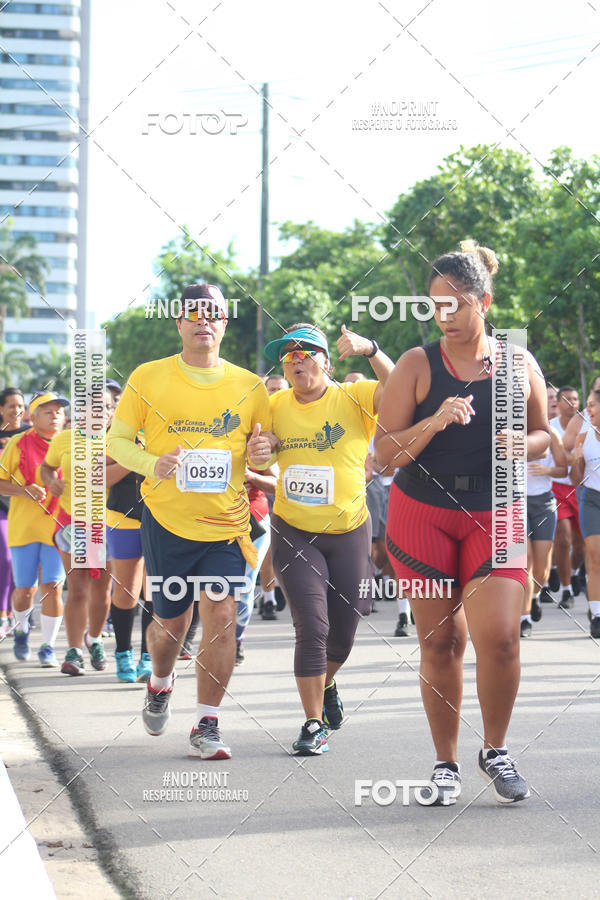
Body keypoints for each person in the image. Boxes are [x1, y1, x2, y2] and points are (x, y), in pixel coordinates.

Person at [375, 240, 550, 805]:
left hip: (496, 510)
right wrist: (436, 420)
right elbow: (384, 454)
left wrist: (521, 444)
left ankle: (494, 750)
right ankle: (445, 762)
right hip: (422, 512)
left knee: (500, 640)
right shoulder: (416, 365)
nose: (443, 316)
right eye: (434, 306)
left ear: (485, 302)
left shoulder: (518, 360)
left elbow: (548, 437)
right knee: (443, 643)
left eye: (455, 305)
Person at [107, 283, 271, 760]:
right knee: (170, 626)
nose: (204, 321)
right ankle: (160, 682)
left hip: (225, 524)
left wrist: (265, 450)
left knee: (220, 615)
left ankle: (206, 722)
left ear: (224, 322)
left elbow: (265, 447)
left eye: (213, 314)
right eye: (194, 314)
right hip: (166, 521)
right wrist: (151, 462)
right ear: (178, 323)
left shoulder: (250, 386)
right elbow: (117, 442)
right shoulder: (148, 377)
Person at [248, 322, 394, 755]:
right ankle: (313, 722)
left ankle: (328, 681)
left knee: (344, 633)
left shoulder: (355, 396)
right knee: (311, 625)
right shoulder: (272, 405)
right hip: (294, 530)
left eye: (306, 353)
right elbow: (254, 449)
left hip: (349, 529)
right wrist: (260, 450)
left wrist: (371, 348)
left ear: (326, 362)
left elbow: (402, 384)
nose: (296, 361)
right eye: (288, 355)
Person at [41, 390, 114, 675]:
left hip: (108, 524)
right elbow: (47, 468)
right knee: (79, 588)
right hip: (71, 522)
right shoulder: (64, 440)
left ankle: (93, 639)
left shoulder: (119, 441)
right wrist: (51, 482)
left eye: (104, 408)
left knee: (102, 590)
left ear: (111, 412)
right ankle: (73, 652)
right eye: (90, 408)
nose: (97, 413)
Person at [0, 392, 67, 665]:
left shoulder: (72, 444)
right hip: (24, 528)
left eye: (59, 412)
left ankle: (48, 646)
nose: (55, 417)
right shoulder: (18, 443)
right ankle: (22, 631)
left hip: (58, 527)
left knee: (53, 586)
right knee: (26, 589)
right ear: (34, 416)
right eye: (48, 412)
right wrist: (24, 491)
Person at [106, 444, 152, 683]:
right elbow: (99, 477)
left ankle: (149, 655)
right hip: (122, 519)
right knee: (126, 592)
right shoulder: (118, 433)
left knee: (155, 590)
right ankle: (123, 653)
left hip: (162, 517)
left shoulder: (170, 425)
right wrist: (133, 457)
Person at [522, 427, 567, 636]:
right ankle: (524, 619)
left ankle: (534, 596)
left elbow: (563, 469)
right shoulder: (508, 427)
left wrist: (546, 470)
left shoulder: (552, 433)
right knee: (525, 561)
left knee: (541, 571)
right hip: (515, 501)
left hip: (543, 504)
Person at [235, 465, 277, 665]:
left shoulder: (258, 443)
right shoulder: (211, 437)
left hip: (254, 522)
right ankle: (208, 638)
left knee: (244, 585)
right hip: (214, 520)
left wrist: (250, 476)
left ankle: (235, 640)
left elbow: (276, 484)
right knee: (212, 584)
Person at [549, 386, 585, 608]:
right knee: (563, 539)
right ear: (558, 404)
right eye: (567, 399)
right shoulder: (550, 427)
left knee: (581, 546)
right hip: (556, 487)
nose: (572, 402)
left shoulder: (588, 424)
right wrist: (573, 458)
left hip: (580, 489)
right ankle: (566, 590)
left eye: (576, 399)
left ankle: (573, 573)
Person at [570, 389, 600, 638]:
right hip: (591, 500)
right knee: (595, 558)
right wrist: (577, 461)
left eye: (592, 406)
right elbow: (575, 479)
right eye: (587, 406)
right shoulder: (583, 437)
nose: (587, 411)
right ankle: (597, 615)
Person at [0, 388, 29, 636]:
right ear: (1, 409)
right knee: (6, 560)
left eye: (21, 405)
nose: (17, 410)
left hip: (25, 509)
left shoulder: (30, 435)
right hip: (2, 506)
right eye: (12, 406)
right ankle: (2, 615)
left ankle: (13, 613)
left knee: (18, 565)